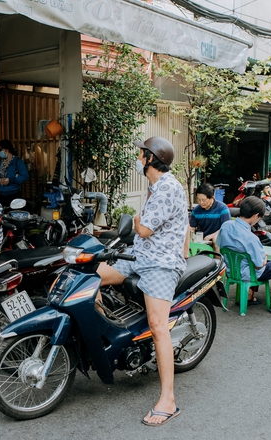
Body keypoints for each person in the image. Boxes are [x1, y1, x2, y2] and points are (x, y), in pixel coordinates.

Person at [97, 136, 188, 427]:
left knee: (158, 327)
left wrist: (136, 222)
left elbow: (145, 229)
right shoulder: (154, 186)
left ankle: (168, 401)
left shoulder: (167, 188)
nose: (137, 158)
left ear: (150, 158)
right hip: (139, 256)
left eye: (140, 154)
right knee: (91, 275)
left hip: (161, 264)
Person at [217, 196, 271, 314]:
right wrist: (265, 258)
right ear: (256, 215)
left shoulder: (226, 226)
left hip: (232, 271)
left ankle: (249, 296)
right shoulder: (251, 238)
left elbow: (220, 245)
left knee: (261, 262)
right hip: (249, 273)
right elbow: (259, 265)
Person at [189, 183, 231, 251]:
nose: (201, 202)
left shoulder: (222, 208)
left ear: (212, 198)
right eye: (198, 200)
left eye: (203, 200)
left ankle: (218, 261)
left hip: (219, 238)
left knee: (215, 239)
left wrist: (210, 236)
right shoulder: (196, 210)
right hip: (203, 240)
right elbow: (192, 227)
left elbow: (225, 228)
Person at [0, 139, 29, 207]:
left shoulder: (17, 162)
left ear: (6, 150)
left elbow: (25, 176)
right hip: (0, 195)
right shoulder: (0, 162)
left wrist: (10, 180)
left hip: (14, 195)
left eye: (0, 149)